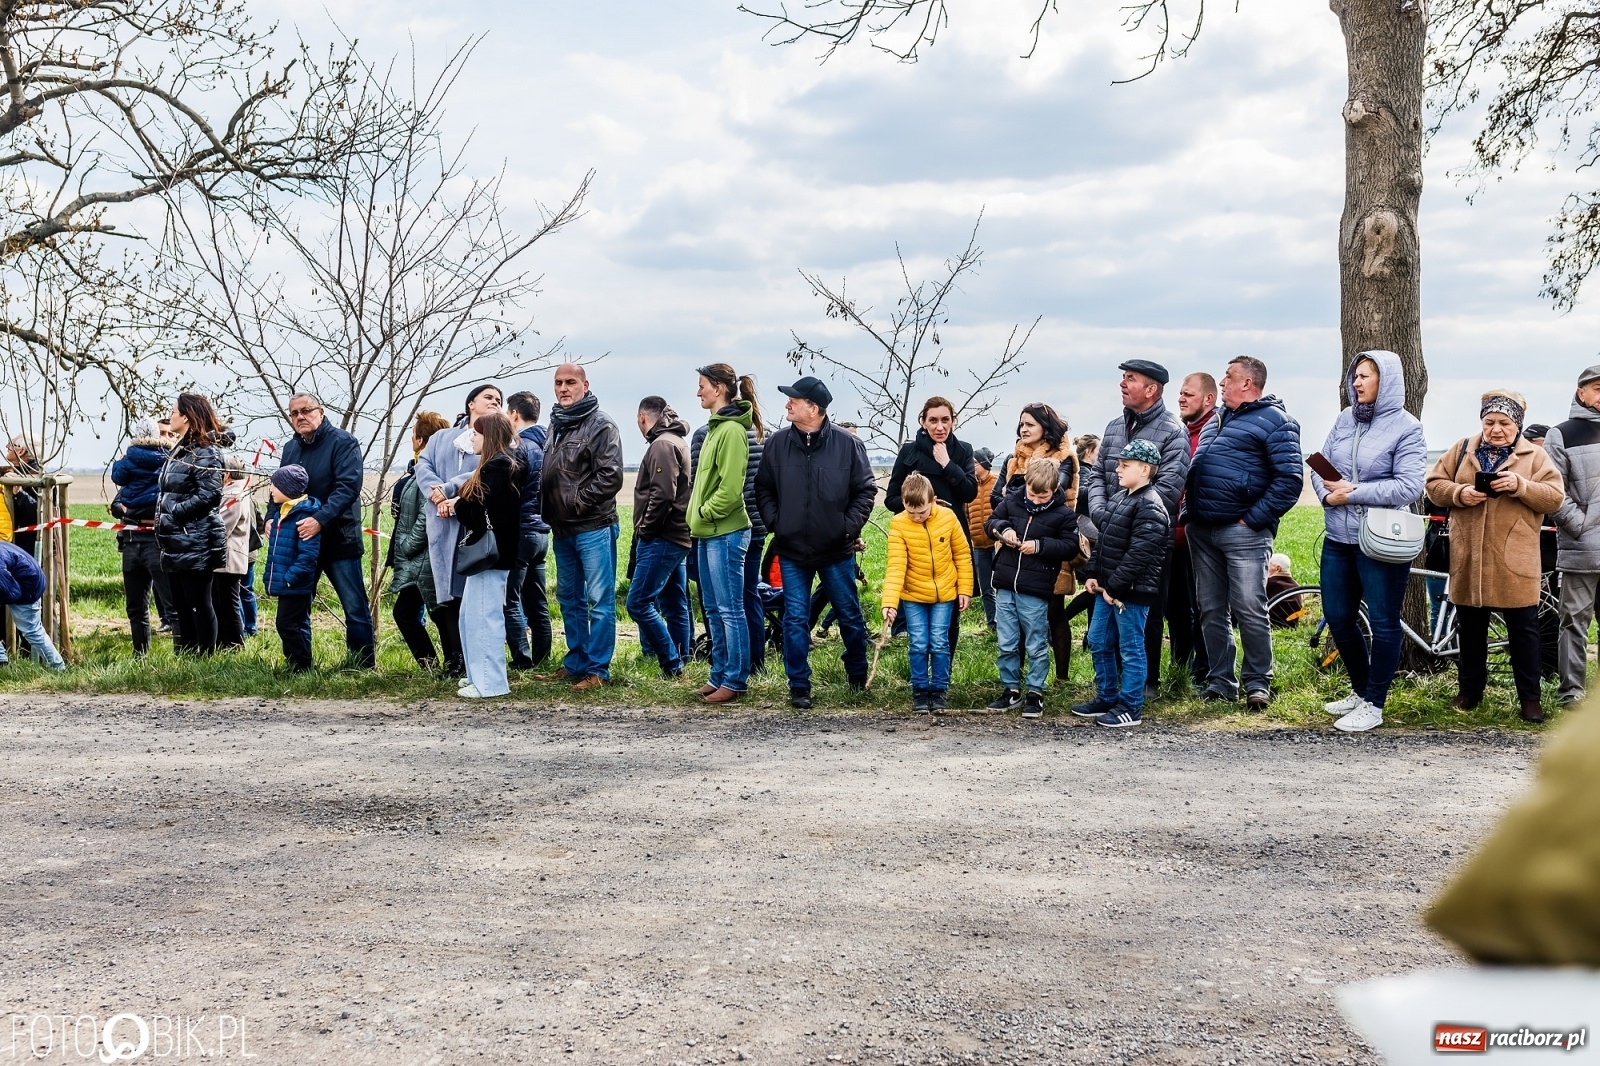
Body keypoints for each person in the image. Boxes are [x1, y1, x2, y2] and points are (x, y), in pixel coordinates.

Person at [1428, 391, 1566, 722]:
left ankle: (1530, 700)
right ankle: (1469, 691)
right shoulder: (1462, 449)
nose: (1496, 429)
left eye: (1504, 423)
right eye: (1489, 422)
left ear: (1516, 424)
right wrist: (1460, 493)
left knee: (1524, 633)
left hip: (1514, 558)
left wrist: (1520, 485)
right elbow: (1433, 484)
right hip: (1469, 556)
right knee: (1470, 629)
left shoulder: (1534, 457)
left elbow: (1554, 499)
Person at [1310, 349, 1428, 733]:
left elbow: (1410, 485)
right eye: (1355, 376)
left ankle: (1375, 704)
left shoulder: (1407, 427)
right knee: (1340, 617)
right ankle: (1360, 692)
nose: (1357, 382)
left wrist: (1353, 492)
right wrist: (1328, 495)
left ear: (1387, 381)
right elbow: (1320, 465)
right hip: (1338, 536)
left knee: (1383, 621)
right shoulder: (1345, 419)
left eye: (1365, 376)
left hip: (1380, 541)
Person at [1185, 356, 1303, 708]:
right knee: (1210, 609)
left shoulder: (1277, 422)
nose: (1221, 382)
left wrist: (1252, 520)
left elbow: (1289, 480)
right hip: (1201, 530)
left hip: (1243, 532)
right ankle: (1221, 682)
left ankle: (1257, 683)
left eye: (1228, 376)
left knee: (1250, 606)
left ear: (1248, 383)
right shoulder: (1216, 420)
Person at [755, 376, 877, 710]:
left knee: (849, 616)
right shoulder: (777, 444)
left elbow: (866, 491)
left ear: (814, 408)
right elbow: (763, 487)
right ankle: (798, 685)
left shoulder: (847, 445)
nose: (787, 404)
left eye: (793, 400)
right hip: (792, 550)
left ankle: (856, 674)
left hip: (835, 551)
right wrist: (777, 524)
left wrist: (846, 528)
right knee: (795, 618)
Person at [1084, 360, 1192, 700]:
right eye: (1123, 377)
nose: (1122, 383)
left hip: (1147, 541)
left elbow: (1170, 488)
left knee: (1145, 615)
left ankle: (1145, 686)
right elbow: (1097, 477)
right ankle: (1110, 686)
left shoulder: (1173, 431)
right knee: (1104, 615)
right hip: (1108, 536)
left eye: (1130, 379)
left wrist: (1127, 517)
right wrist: (1105, 514)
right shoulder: (1114, 427)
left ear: (1151, 390)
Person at [1075, 438, 1171, 728]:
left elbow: (1139, 555)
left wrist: (1114, 587)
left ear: (1144, 469)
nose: (1117, 469)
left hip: (1130, 593)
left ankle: (1131, 707)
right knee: (1098, 641)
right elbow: (1103, 543)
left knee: (1130, 648)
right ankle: (1106, 696)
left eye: (1124, 465)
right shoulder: (1121, 498)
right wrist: (1093, 573)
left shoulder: (1151, 506)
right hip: (1109, 589)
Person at [277, 392, 376, 668]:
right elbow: (282, 489)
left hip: (338, 539)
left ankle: (361, 665)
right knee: (298, 606)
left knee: (354, 607)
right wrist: (272, 518)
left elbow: (347, 488)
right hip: (302, 542)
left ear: (320, 412)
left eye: (306, 410)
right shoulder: (290, 449)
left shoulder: (343, 443)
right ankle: (299, 665)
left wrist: (319, 519)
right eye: (294, 413)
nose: (300, 417)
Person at [541, 363, 624, 691]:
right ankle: (576, 663)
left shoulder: (601, 425)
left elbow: (611, 476)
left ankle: (598, 672)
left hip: (592, 526)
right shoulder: (556, 424)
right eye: (558, 382)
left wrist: (574, 503)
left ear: (585, 385)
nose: (563, 388)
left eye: (570, 382)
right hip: (562, 528)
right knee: (569, 597)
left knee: (599, 600)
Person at [416, 384, 502, 676]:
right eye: (488, 397)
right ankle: (455, 659)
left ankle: (474, 660)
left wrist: (450, 489)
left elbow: (482, 471)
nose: (494, 402)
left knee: (469, 593)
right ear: (470, 404)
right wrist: (435, 491)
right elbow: (423, 464)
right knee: (447, 596)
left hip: (468, 521)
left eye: (499, 400)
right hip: (440, 521)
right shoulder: (441, 438)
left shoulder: (495, 439)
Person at [984, 457, 1081, 718]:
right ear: (1026, 484)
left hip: (1036, 589)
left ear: (1054, 489)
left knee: (1036, 643)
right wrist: (1003, 530)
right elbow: (990, 522)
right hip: (1005, 583)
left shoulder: (1063, 514)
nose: (1037, 500)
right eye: (1033, 494)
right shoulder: (1012, 500)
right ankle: (1010, 690)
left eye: (1043, 496)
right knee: (1006, 642)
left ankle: (1035, 692)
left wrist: (1040, 546)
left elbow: (1070, 546)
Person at [691, 368, 771, 676]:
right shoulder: (757, 432)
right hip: (751, 525)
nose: (698, 393)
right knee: (744, 596)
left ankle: (735, 674)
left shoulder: (725, 432)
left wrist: (701, 514)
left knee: (729, 606)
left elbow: (715, 487)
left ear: (720, 388)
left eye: (702, 386)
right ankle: (750, 666)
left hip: (728, 527)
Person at [991, 403, 1078, 684]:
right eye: (1021, 424)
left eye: (1030, 424)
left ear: (1045, 427)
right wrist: (1012, 496)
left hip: (1049, 541)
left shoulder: (1063, 456)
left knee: (1053, 610)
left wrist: (1015, 490)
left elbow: (1055, 492)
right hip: (1014, 543)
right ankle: (1014, 681)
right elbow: (998, 498)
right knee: (1015, 616)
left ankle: (1061, 676)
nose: (1023, 429)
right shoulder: (1012, 457)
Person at [880, 473, 973, 713]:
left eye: (921, 511)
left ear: (933, 500)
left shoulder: (949, 517)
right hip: (913, 596)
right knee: (919, 643)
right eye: (911, 512)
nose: (917, 517)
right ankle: (920, 690)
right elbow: (896, 565)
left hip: (945, 594)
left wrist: (964, 589)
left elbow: (962, 556)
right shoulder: (899, 523)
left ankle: (940, 689)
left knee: (940, 641)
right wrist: (889, 602)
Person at [452, 413, 527, 699]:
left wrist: (460, 506)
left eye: (476, 433)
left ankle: (490, 683)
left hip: (492, 554)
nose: (472, 437)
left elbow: (486, 515)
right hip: (493, 554)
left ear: (490, 436)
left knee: (484, 617)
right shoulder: (502, 465)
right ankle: (477, 675)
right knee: (471, 616)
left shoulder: (498, 468)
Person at [1543, 366, 1600, 706]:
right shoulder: (1561, 434)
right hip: (1582, 548)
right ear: (1581, 393)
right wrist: (1580, 525)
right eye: (1597, 388)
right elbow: (1553, 492)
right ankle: (1572, 693)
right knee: (1574, 623)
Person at [628, 396, 693, 681]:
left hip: (663, 536)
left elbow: (663, 494)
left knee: (638, 603)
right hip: (677, 535)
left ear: (643, 417)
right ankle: (683, 655)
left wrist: (646, 529)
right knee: (673, 600)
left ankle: (671, 662)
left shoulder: (662, 445)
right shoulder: (675, 440)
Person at [156, 393, 227, 655]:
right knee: (180, 604)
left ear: (186, 416)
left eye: (173, 412)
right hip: (175, 540)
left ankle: (205, 658)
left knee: (199, 603)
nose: (169, 416)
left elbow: (210, 494)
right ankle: (185, 657)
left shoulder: (205, 451)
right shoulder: (180, 449)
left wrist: (175, 513)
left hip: (195, 539)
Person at [390, 412, 452, 672]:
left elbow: (425, 518)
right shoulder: (430, 469)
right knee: (438, 612)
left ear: (419, 440)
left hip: (422, 557)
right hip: (423, 557)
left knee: (427, 613)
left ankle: (442, 665)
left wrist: (407, 546)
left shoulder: (423, 474)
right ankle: (445, 665)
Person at [110, 417, 177, 655]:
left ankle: (140, 653)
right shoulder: (170, 458)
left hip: (133, 538)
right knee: (172, 605)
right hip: (156, 538)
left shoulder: (130, 458)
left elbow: (117, 478)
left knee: (136, 607)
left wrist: (129, 510)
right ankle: (182, 654)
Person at [1168, 372, 1217, 684]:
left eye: (1188, 394)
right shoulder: (1180, 434)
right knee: (1175, 609)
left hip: (1200, 538)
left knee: (1205, 609)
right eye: (1180, 394)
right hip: (1172, 537)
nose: (1181, 399)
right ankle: (1178, 668)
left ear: (1208, 399)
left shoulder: (1216, 434)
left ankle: (1205, 672)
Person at [505, 392, 552, 668]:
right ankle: (542, 657)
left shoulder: (520, 447)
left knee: (510, 598)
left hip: (521, 529)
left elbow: (512, 492)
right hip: (542, 531)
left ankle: (522, 658)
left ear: (513, 414)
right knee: (537, 600)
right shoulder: (549, 445)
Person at [263, 465, 322, 673]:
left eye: (275, 485)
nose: (271, 490)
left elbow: (308, 556)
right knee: (292, 624)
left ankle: (301, 665)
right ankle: (296, 665)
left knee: (286, 624)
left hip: (295, 584)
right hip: (288, 583)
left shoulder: (302, 516)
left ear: (286, 488)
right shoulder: (283, 512)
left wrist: (289, 578)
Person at [212, 455, 257, 650]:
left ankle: (235, 644)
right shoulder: (236, 491)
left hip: (229, 558)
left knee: (229, 604)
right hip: (227, 558)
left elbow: (221, 526)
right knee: (222, 603)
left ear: (227, 474)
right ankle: (224, 642)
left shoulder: (233, 494)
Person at [0, 538, 65, 670]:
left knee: (32, 631)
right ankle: (1, 660)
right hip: (22, 579)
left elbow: (13, 592)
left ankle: (58, 667)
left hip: (28, 587)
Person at [967, 448, 998, 629]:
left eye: (975, 463)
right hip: (978, 545)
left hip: (997, 543)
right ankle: (992, 623)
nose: (972, 467)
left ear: (984, 464)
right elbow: (967, 514)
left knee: (1001, 587)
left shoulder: (996, 483)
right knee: (985, 587)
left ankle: (1005, 622)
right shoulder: (970, 486)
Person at [4, 433, 41, 556]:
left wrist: (19, 493)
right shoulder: (15, 472)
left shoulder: (39, 479)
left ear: (21, 451)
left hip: (30, 550)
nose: (6, 446)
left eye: (11, 445)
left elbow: (41, 513)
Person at [1266, 555, 1304, 628]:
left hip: (1270, 624)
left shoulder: (1270, 583)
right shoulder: (1296, 586)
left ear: (1278, 568)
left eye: (1268, 565)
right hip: (1291, 624)